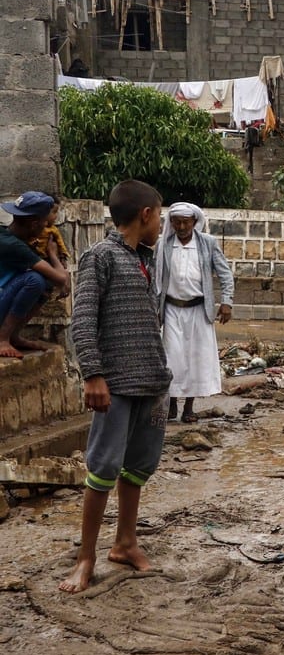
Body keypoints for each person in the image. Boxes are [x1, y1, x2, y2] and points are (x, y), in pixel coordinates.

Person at [60, 180, 173, 594]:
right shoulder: (100, 257)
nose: (161, 223)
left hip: (151, 381)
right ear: (145, 215)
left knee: (139, 465)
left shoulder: (145, 259)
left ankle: (125, 542)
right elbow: (83, 320)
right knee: (103, 467)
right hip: (116, 383)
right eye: (159, 215)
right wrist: (93, 374)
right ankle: (86, 557)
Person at [154, 203, 234, 423]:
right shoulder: (163, 246)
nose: (181, 226)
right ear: (171, 223)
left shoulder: (207, 243)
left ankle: (189, 407)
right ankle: (171, 405)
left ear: (193, 222)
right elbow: (155, 279)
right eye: (177, 222)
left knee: (195, 358)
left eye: (185, 222)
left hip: (199, 310)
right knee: (172, 358)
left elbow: (225, 274)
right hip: (171, 309)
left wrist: (227, 302)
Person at [0, 191, 70, 358]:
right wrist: (53, 254)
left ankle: (13, 336)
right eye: (45, 223)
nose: (47, 227)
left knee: (45, 282)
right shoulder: (14, 246)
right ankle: (2, 338)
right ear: (34, 224)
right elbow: (61, 277)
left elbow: (58, 278)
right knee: (35, 280)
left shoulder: (15, 239)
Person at [32, 195, 71, 298]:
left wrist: (63, 256)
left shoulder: (53, 230)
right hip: (37, 257)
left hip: (47, 257)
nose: (56, 216)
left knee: (61, 274)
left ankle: (56, 291)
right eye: (54, 212)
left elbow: (60, 243)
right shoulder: (33, 230)